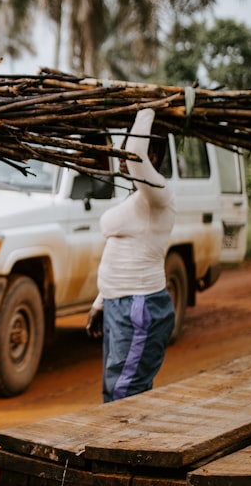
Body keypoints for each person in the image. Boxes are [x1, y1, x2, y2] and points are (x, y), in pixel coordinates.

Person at [85, 107, 176, 402]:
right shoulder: (138, 198)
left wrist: (147, 108)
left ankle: (131, 447)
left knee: (126, 393)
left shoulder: (159, 194)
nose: (124, 153)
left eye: (128, 146)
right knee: (114, 389)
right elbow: (120, 253)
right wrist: (101, 302)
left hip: (140, 307)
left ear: (152, 155)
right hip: (118, 305)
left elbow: (137, 150)